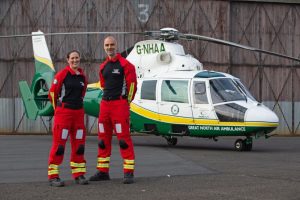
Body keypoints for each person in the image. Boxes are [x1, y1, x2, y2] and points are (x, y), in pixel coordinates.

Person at [89, 36, 137, 184]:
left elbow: (132, 87)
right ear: (104, 47)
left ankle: (128, 173)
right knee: (103, 140)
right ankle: (103, 171)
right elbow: (103, 85)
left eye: (112, 45)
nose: (109, 47)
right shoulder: (103, 66)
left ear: (116, 46)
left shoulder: (126, 65)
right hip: (105, 106)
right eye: (107, 45)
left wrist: (125, 102)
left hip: (119, 105)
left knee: (123, 139)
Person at [47, 50, 88, 187]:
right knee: (59, 146)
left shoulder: (83, 77)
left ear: (79, 59)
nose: (75, 60)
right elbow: (52, 94)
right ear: (67, 60)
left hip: (78, 115)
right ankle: (53, 176)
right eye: (72, 58)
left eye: (77, 58)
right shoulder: (62, 75)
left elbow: (82, 94)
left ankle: (79, 174)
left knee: (79, 145)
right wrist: (58, 110)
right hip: (64, 114)